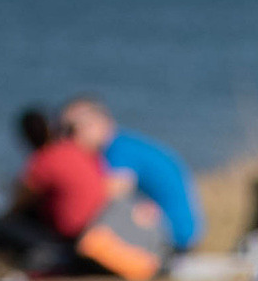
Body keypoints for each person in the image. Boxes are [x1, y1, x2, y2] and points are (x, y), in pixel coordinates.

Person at [62, 96, 203, 257]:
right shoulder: (126, 145)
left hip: (171, 236)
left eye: (73, 129)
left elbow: (108, 195)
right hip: (175, 232)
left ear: (100, 122)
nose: (68, 138)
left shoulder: (118, 151)